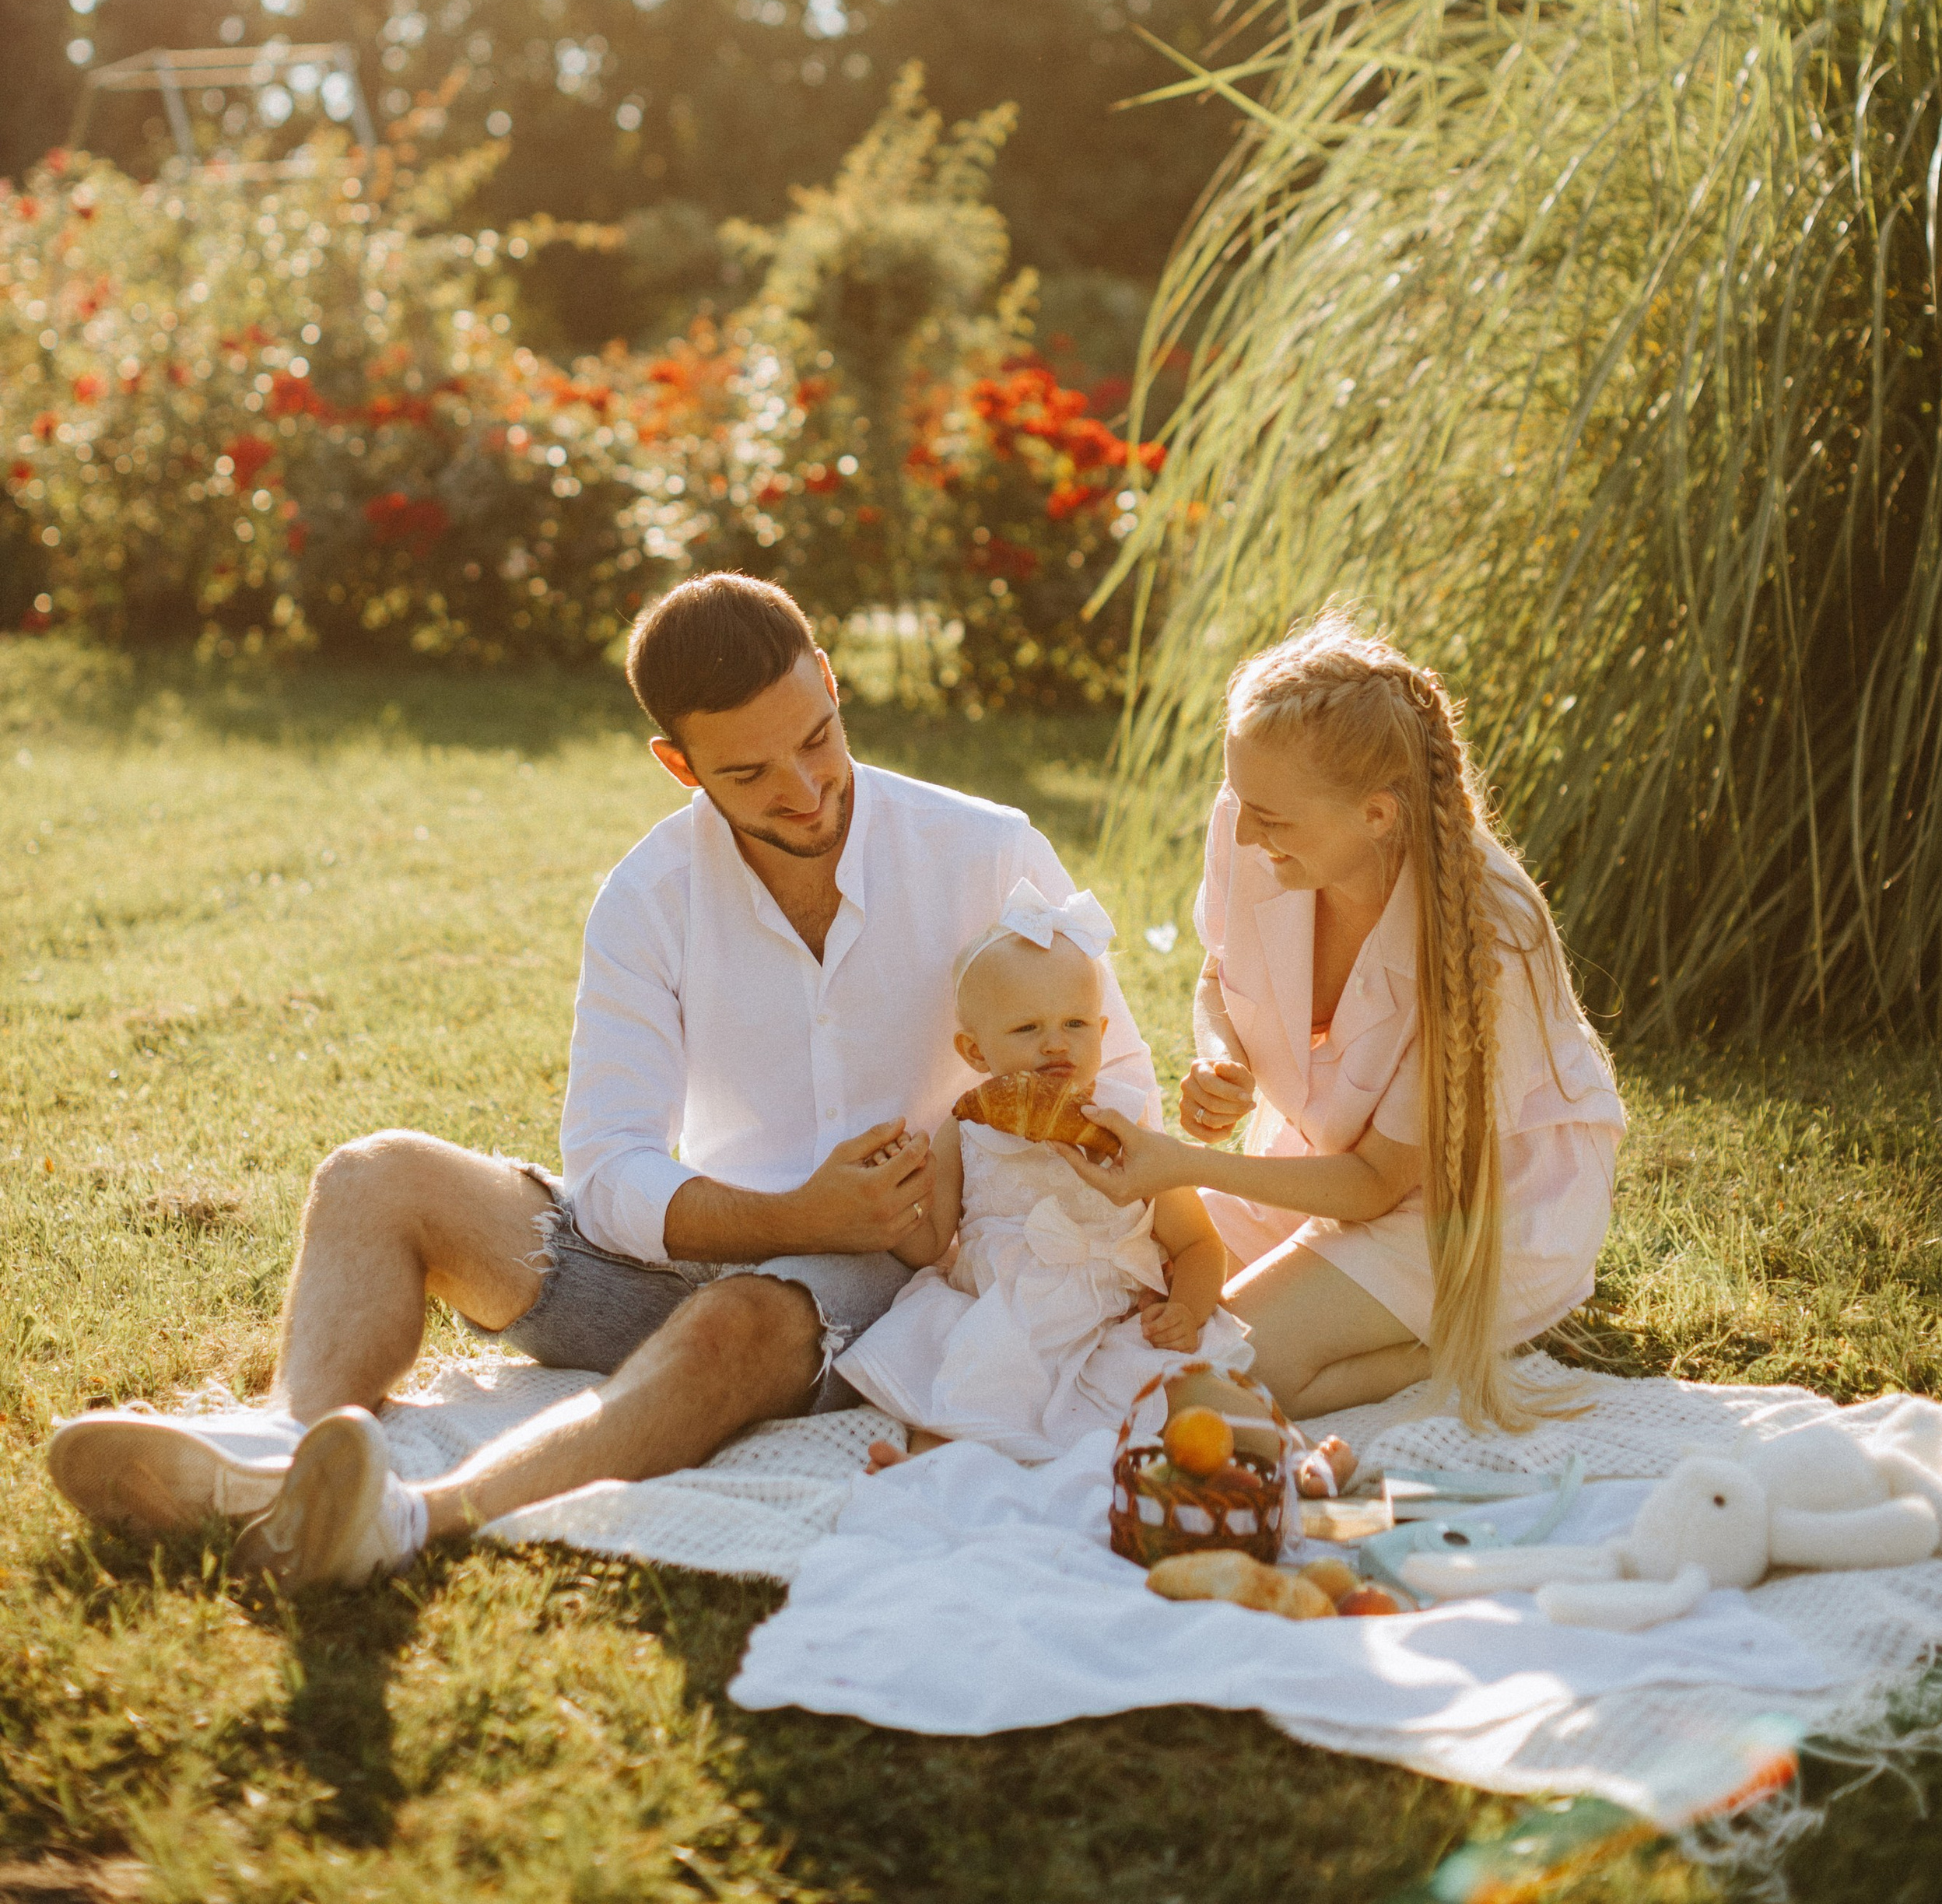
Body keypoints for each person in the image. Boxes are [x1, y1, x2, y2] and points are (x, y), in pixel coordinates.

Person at [47, 574, 1159, 1587]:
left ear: (829, 681)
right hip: (687, 1247)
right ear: (679, 764)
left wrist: (920, 1226)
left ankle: (408, 1518)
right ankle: (293, 1458)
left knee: (733, 1324)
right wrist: (785, 1210)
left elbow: (1117, 1082)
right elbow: (610, 1165)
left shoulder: (986, 850)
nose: (806, 790)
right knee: (375, 1174)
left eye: (816, 740)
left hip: (884, 1287)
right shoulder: (649, 895)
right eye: (749, 773)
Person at [1067, 612, 1624, 1432]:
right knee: (1113, 1281)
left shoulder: (1490, 937)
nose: (1243, 832)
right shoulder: (1259, 822)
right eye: (1239, 800)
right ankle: (1369, 1326)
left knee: (1219, 1372)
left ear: (1376, 815)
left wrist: (1183, 1164)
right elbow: (1219, 975)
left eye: (1271, 817)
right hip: (1324, 1160)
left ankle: (1466, 1337)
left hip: (1481, 1205)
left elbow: (1373, 1185)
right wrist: (1223, 1058)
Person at [838, 882, 1245, 1464]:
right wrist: (897, 1196)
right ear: (975, 1053)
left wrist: (1186, 1309)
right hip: (1002, 1323)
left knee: (1181, 1409)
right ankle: (930, 1473)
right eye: (1028, 1029)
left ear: (1103, 1034)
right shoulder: (969, 1131)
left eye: (1076, 1024)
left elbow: (1201, 1243)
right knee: (967, 1392)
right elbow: (930, 1245)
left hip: (1110, 1327)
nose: (1056, 1044)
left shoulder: (1130, 1129)